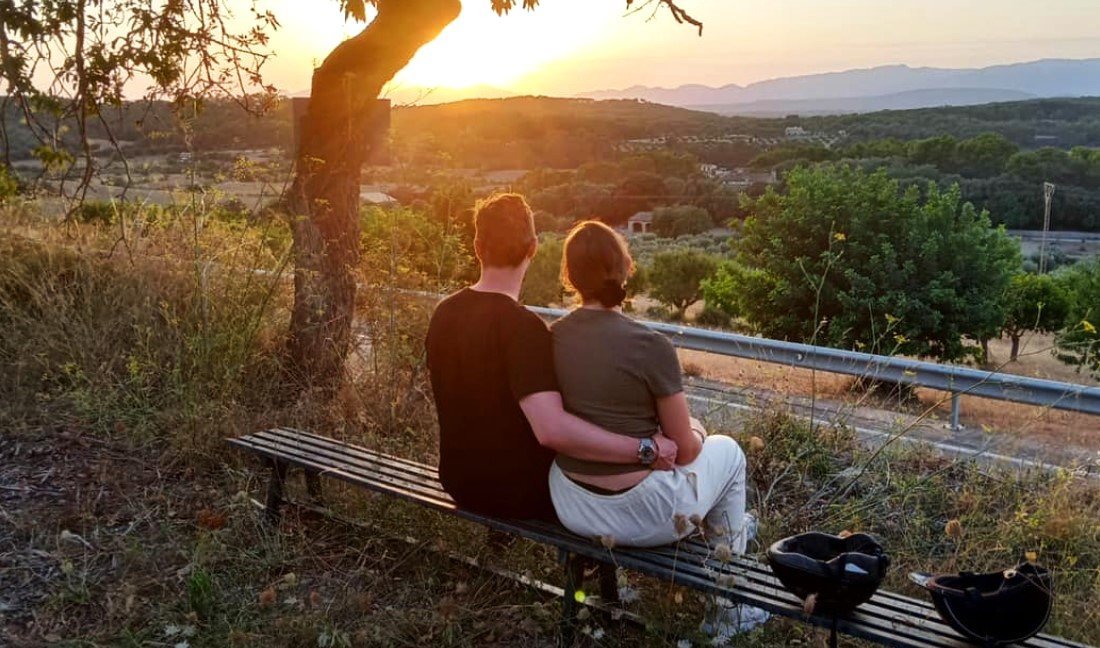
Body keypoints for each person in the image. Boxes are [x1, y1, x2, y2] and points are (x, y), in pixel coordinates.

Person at [547, 220, 768, 637]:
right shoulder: (650, 345)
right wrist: (698, 432)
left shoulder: (552, 337)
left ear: (570, 276)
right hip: (642, 515)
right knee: (729, 453)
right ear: (625, 268)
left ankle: (729, 536)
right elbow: (683, 451)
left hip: (571, 504)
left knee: (702, 461)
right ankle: (727, 609)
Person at [425, 194, 679, 522]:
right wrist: (646, 449)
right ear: (533, 247)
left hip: (458, 481)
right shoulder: (524, 328)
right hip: (521, 493)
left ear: (477, 245)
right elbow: (551, 431)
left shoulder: (444, 312)